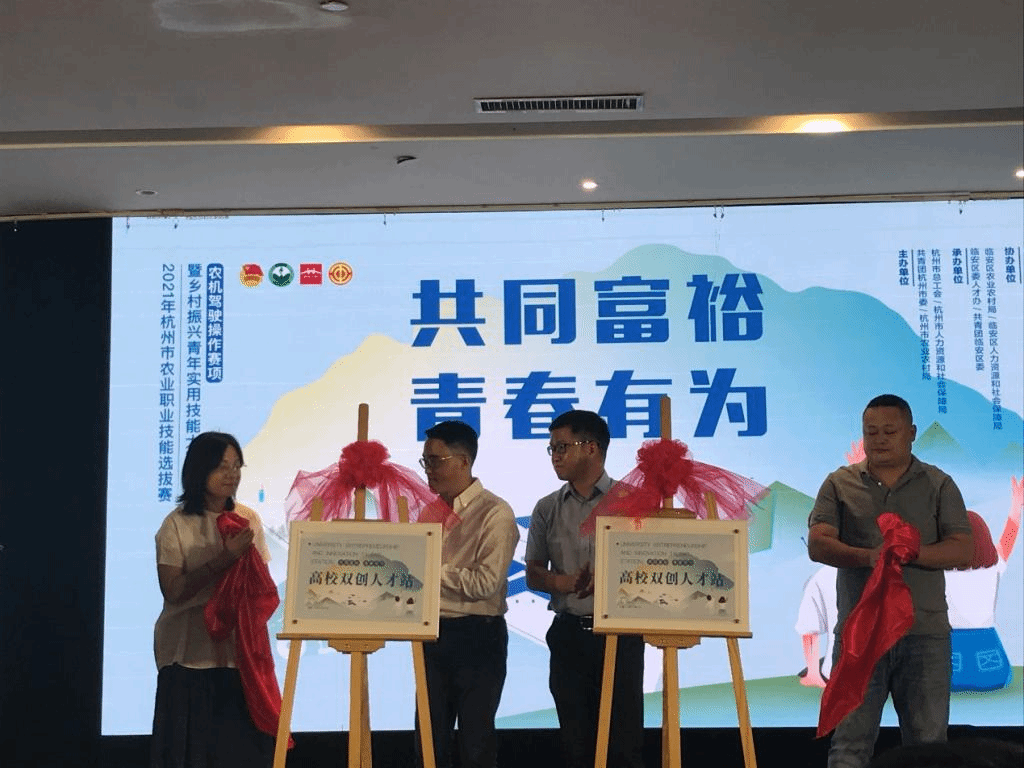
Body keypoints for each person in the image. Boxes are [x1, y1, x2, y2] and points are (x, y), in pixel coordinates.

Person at [808, 394, 973, 768]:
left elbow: (963, 549)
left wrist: (912, 552)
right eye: (871, 432)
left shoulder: (938, 484)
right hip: (860, 636)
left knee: (929, 749)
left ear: (911, 433)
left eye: (889, 431)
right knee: (848, 747)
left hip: (925, 634)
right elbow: (818, 544)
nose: (879, 439)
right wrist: (868, 557)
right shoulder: (839, 483)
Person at [525, 410, 645, 768]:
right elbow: (533, 573)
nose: (555, 456)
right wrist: (563, 583)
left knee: (623, 745)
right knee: (575, 745)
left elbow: (654, 565)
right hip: (568, 636)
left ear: (591, 447)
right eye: (552, 449)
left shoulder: (633, 501)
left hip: (620, 637)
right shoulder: (547, 507)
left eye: (562, 447)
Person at [151, 431, 274, 767]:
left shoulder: (248, 519)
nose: (231, 474)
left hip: (238, 656)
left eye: (236, 466)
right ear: (199, 470)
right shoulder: (176, 524)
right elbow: (173, 591)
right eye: (222, 466)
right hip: (188, 657)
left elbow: (260, 585)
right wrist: (225, 558)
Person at [416, 420, 520, 768]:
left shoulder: (495, 512)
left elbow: (485, 583)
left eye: (435, 460)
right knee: (428, 741)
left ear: (463, 461)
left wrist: (426, 570)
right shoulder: (429, 511)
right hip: (432, 633)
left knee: (475, 743)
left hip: (478, 635)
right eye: (426, 461)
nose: (428, 469)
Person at [944, 476, 1021, 691]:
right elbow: (1008, 537)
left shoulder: (938, 570)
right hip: (992, 669)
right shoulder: (993, 569)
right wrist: (1016, 506)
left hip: (948, 667)